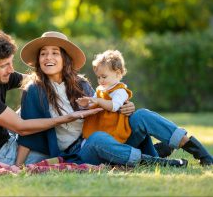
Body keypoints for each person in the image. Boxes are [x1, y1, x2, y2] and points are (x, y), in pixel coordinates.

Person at [16, 31, 190, 167]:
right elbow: (27, 132)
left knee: (140, 116)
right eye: (43, 54)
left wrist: (125, 106)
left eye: (55, 52)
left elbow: (105, 107)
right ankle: (154, 159)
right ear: (38, 60)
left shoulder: (81, 84)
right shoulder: (34, 90)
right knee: (98, 139)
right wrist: (17, 165)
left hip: (107, 137)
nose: (48, 58)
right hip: (78, 152)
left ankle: (187, 145)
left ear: (65, 59)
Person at [0, 29, 102, 167]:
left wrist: (60, 76)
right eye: (4, 65)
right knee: (59, 153)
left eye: (11, 63)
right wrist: (67, 117)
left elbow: (36, 81)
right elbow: (21, 128)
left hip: (5, 140)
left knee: (33, 101)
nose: (11, 70)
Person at [76, 49, 133, 144]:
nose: (100, 80)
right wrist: (86, 105)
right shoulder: (100, 89)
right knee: (88, 143)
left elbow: (114, 106)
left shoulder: (120, 90)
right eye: (98, 77)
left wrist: (98, 101)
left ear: (117, 73)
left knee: (106, 144)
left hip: (113, 129)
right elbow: (93, 104)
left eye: (104, 77)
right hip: (98, 127)